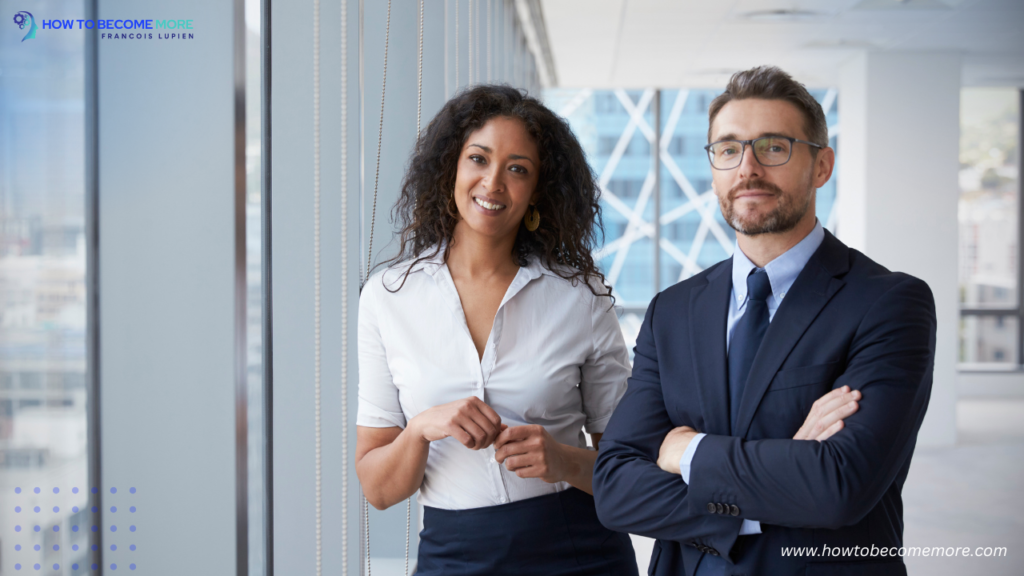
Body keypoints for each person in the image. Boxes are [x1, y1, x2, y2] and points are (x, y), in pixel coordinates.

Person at [592, 66, 937, 576]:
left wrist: (688, 451)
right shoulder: (674, 310)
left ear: (822, 166)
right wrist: (782, 472)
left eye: (774, 147)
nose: (747, 168)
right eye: (728, 150)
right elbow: (616, 489)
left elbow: (838, 488)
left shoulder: (889, 303)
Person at [355, 85, 638, 576]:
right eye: (479, 159)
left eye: (517, 169)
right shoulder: (388, 298)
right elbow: (378, 490)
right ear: (451, 169)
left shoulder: (579, 297)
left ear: (537, 190)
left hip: (577, 550)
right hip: (453, 554)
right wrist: (422, 427)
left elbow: (632, 470)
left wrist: (564, 461)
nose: (493, 183)